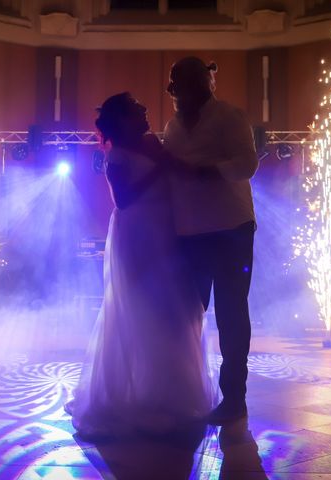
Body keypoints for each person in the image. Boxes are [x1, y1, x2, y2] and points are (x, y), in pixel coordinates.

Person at [66, 92, 214, 437]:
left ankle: (168, 392)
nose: (146, 109)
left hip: (163, 232)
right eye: (138, 108)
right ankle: (136, 396)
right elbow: (125, 199)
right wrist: (158, 167)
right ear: (123, 119)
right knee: (142, 311)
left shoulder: (152, 145)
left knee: (174, 311)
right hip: (137, 236)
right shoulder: (116, 154)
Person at [163, 56, 259, 425]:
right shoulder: (171, 127)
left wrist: (204, 172)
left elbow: (248, 164)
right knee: (187, 314)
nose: (173, 91)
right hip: (190, 233)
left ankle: (233, 399)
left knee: (231, 313)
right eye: (172, 84)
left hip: (231, 228)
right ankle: (185, 390)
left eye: (178, 82)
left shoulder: (230, 117)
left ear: (202, 83)